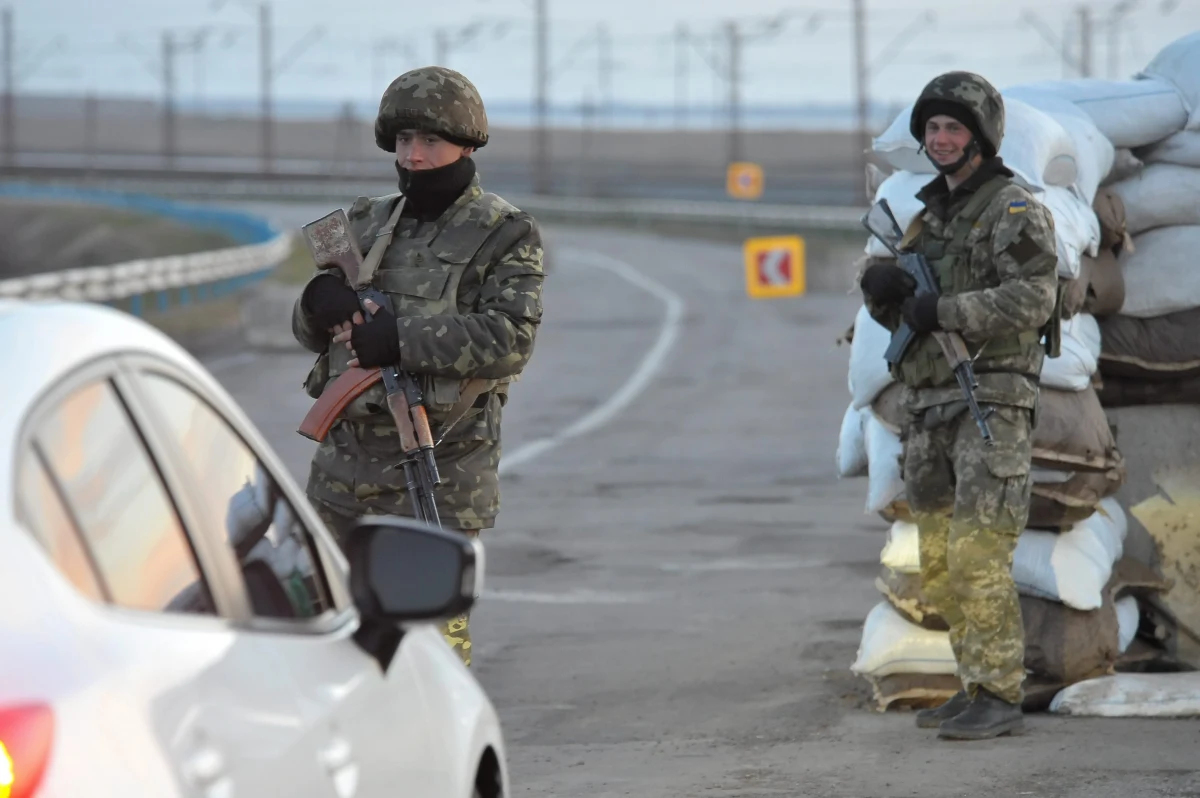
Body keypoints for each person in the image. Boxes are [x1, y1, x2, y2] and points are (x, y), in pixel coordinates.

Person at [291, 66, 546, 667]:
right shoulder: (365, 222)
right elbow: (314, 335)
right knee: (319, 634)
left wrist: (401, 339)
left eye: (431, 141)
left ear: (465, 145)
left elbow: (511, 338)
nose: (416, 156)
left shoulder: (503, 233)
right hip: (342, 471)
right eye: (405, 141)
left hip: (437, 468)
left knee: (430, 647)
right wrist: (313, 304)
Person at [858, 71, 1059, 740]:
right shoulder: (929, 217)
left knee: (979, 554)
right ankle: (974, 684)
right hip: (930, 405)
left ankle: (1000, 694)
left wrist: (940, 308)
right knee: (940, 562)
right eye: (933, 129)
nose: (941, 139)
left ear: (981, 137)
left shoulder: (1013, 209)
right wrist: (881, 289)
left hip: (989, 403)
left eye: (953, 128)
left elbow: (1034, 299)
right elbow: (901, 309)